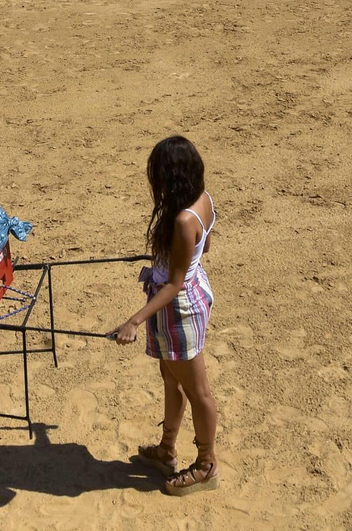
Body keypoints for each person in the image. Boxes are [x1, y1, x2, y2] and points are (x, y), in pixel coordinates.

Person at [111, 135, 220, 496]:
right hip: (185, 298)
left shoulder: (183, 221)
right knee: (170, 377)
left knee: (198, 390)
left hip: (179, 310)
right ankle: (167, 450)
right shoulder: (202, 199)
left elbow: (174, 285)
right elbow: (193, 255)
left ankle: (206, 465)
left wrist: (134, 320)